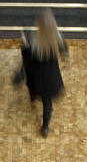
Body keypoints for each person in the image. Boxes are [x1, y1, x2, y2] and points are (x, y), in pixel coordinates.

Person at [19, 9, 68, 138]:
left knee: (35, 91)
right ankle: (45, 127)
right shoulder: (57, 37)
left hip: (39, 78)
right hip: (52, 78)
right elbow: (64, 49)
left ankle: (33, 98)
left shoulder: (35, 43)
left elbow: (28, 62)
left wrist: (25, 45)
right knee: (48, 104)